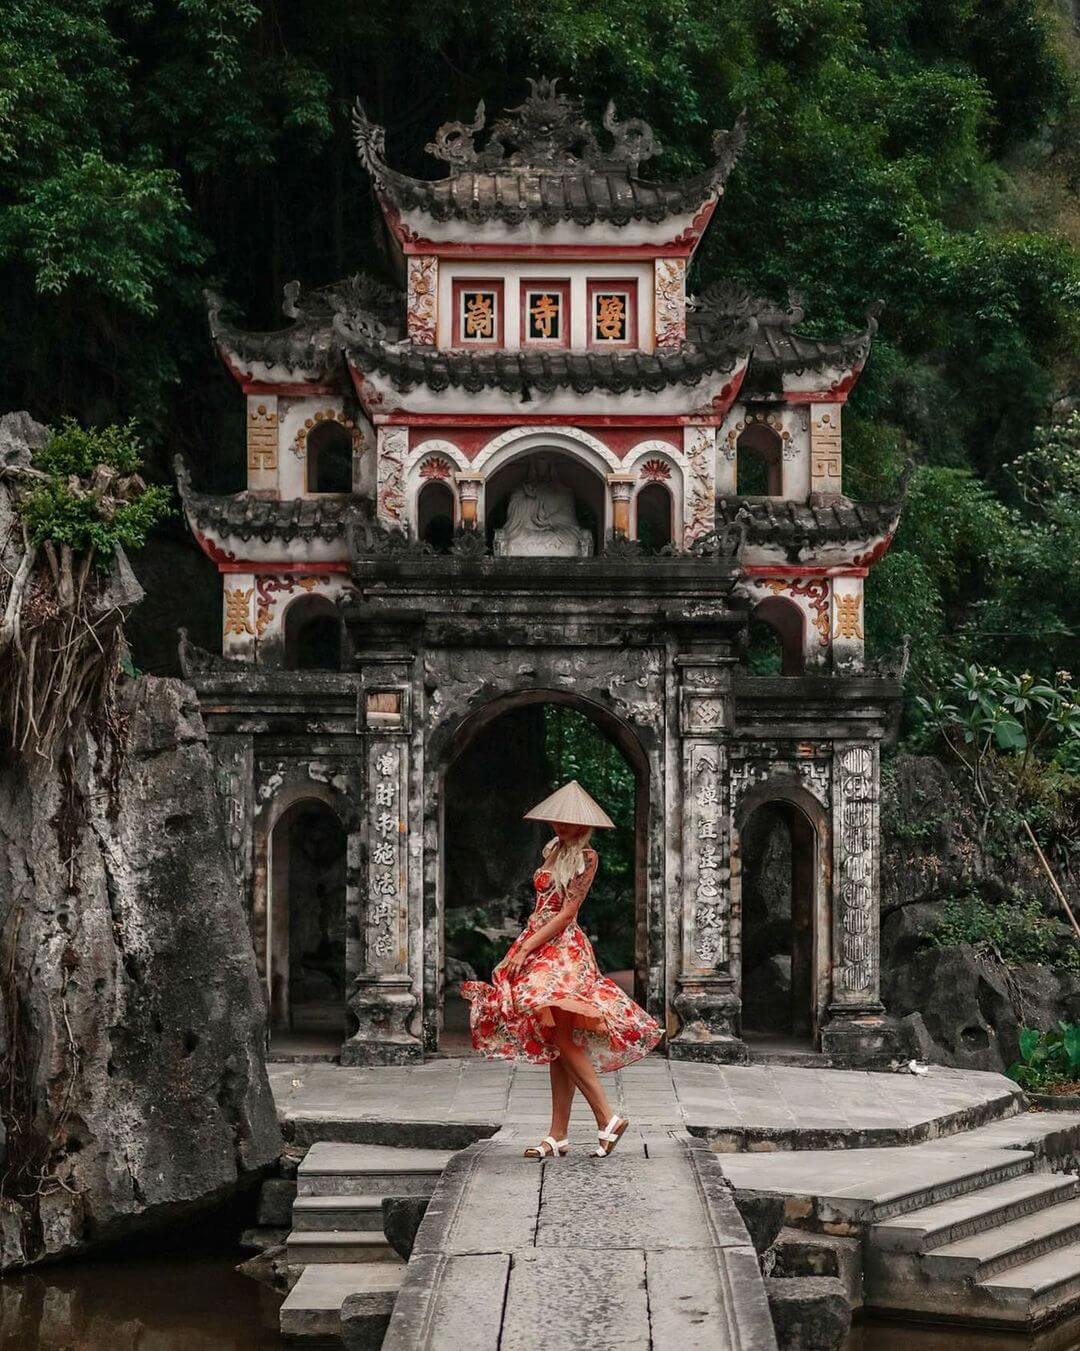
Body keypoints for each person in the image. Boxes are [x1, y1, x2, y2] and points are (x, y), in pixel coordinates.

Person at [461, 779, 662, 1159]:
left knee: (562, 1036)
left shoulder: (587, 857)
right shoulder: (551, 849)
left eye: (567, 823)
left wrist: (527, 949)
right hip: (537, 941)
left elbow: (567, 913)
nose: (560, 827)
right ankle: (559, 1135)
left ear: (582, 825)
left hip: (563, 951)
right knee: (558, 1040)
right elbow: (541, 910)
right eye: (557, 821)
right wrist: (520, 947)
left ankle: (607, 1116)